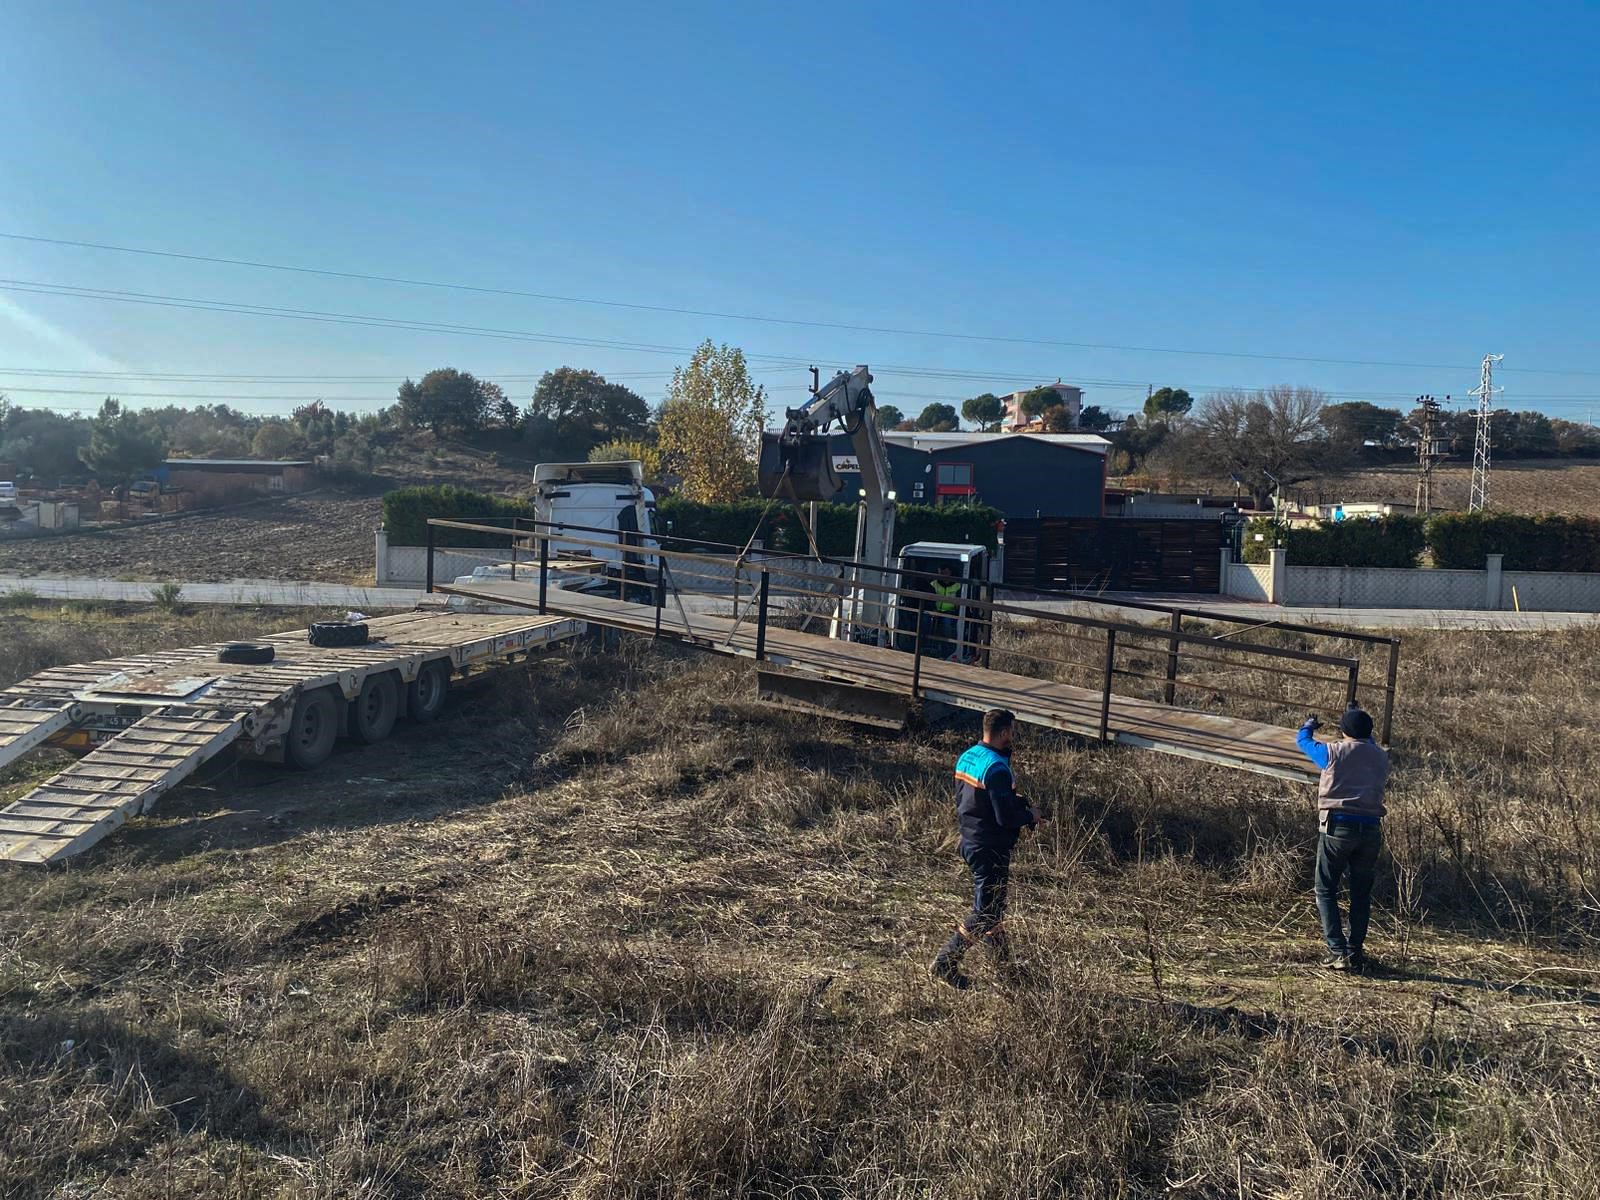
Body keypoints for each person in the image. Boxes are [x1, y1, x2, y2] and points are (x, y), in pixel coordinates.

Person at [931, 708, 1044, 989]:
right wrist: (1031, 815)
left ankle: (1008, 974)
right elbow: (1004, 817)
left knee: (993, 910)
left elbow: (970, 799)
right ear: (1004, 732)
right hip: (990, 846)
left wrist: (1010, 800)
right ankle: (945, 962)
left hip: (970, 840)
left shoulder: (968, 756)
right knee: (986, 913)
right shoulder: (996, 768)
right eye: (1012, 732)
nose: (1013, 737)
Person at [1297, 705, 1389, 972]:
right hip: (1370, 830)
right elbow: (1366, 741)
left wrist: (1309, 724)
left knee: (1325, 889)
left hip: (1337, 827)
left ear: (1343, 732)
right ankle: (1355, 950)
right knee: (1361, 893)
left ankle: (1338, 952)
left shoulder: (1331, 752)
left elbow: (1303, 742)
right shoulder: (1381, 757)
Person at [929, 563, 961, 659]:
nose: (945, 573)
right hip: (935, 610)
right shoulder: (934, 583)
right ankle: (926, 646)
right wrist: (933, 609)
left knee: (947, 624)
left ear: (951, 572)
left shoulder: (957, 585)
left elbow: (959, 602)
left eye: (947, 571)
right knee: (925, 621)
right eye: (943, 571)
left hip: (950, 612)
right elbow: (929, 598)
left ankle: (948, 648)